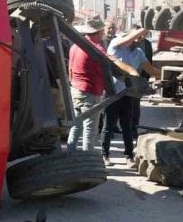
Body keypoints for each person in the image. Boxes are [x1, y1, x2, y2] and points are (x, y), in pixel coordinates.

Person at [103, 28, 159, 165]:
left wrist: (170, 74)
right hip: (113, 92)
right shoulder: (116, 44)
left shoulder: (139, 52)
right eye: (135, 37)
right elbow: (128, 39)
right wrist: (146, 27)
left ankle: (128, 156)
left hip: (128, 93)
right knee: (108, 126)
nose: (135, 41)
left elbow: (150, 70)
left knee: (127, 125)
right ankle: (105, 155)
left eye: (139, 39)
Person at [66, 17, 108, 153]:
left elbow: (70, 67)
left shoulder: (75, 46)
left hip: (75, 90)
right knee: (90, 130)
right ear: (98, 32)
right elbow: (109, 67)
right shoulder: (96, 49)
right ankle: (87, 160)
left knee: (76, 126)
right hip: (90, 91)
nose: (104, 34)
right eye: (102, 31)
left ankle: (69, 155)